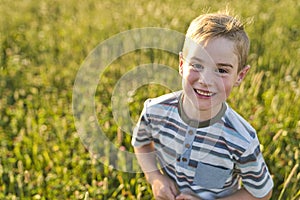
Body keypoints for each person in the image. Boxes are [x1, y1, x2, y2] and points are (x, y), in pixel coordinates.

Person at [131, 11, 274, 200]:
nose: (206, 80)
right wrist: (155, 178)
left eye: (221, 70)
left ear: (240, 76)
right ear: (182, 64)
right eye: (197, 65)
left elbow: (261, 193)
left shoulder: (241, 139)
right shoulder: (154, 112)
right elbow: (141, 144)